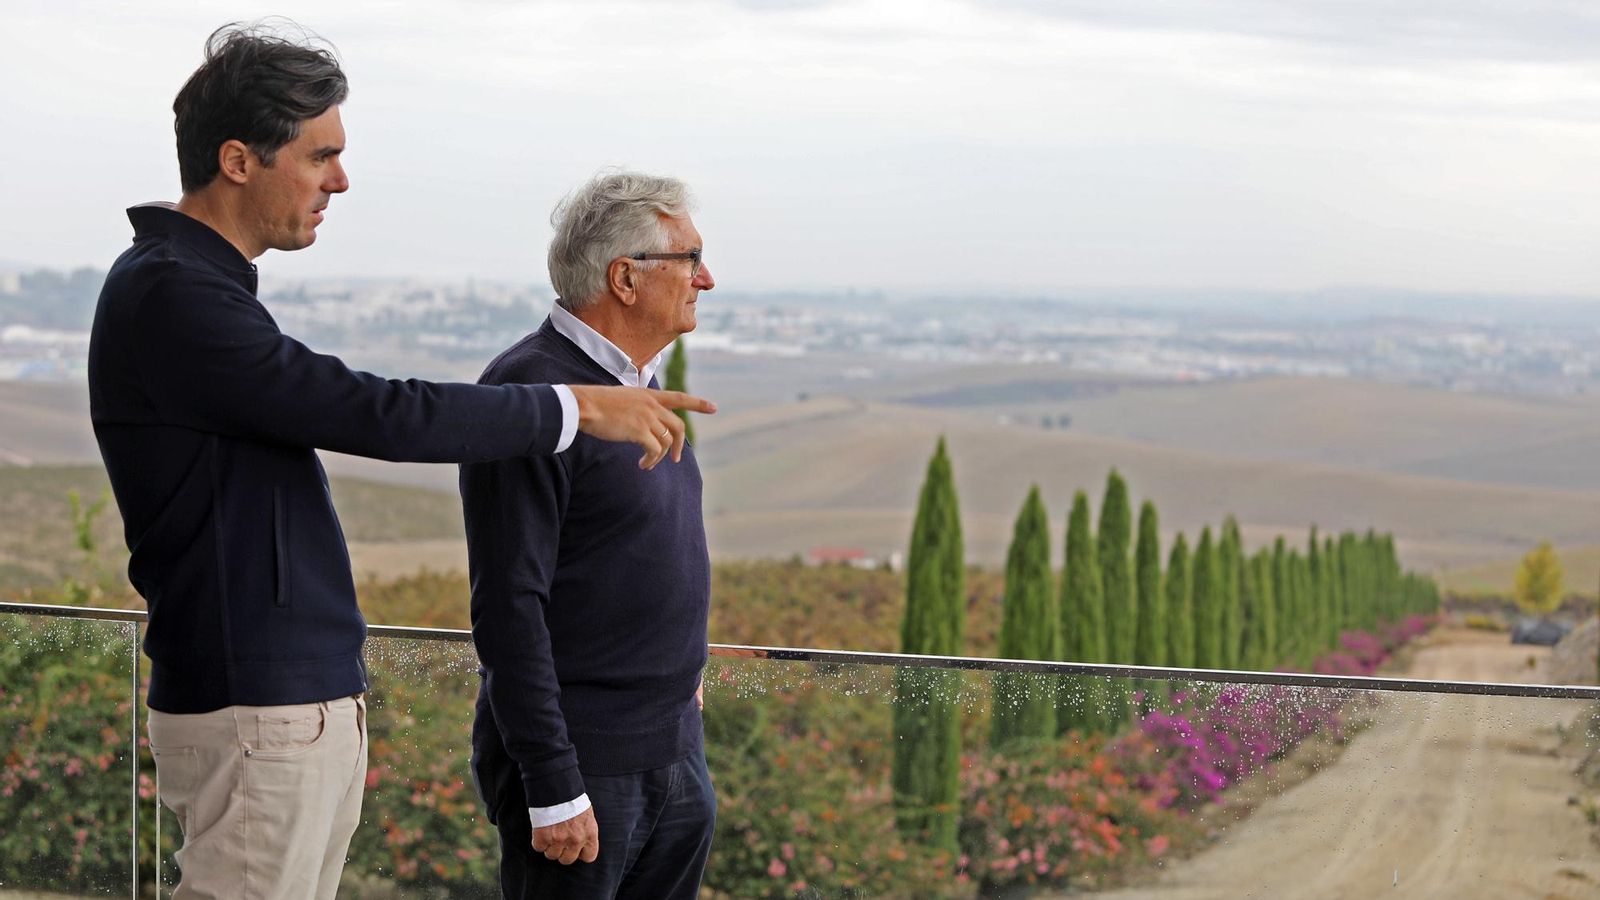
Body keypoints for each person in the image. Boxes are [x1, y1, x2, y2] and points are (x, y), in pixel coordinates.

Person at [86, 25, 712, 900]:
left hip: (281, 702)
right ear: (238, 160)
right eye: (321, 156)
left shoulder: (198, 290)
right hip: (256, 706)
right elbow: (371, 410)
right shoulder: (172, 293)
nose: (339, 180)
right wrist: (574, 408)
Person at [461, 170, 718, 899]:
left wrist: (680, 682)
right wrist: (553, 784)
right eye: (691, 259)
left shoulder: (632, 387)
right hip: (584, 772)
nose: (707, 279)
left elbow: (627, 557)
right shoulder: (530, 396)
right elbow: (509, 607)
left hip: (671, 753)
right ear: (626, 278)